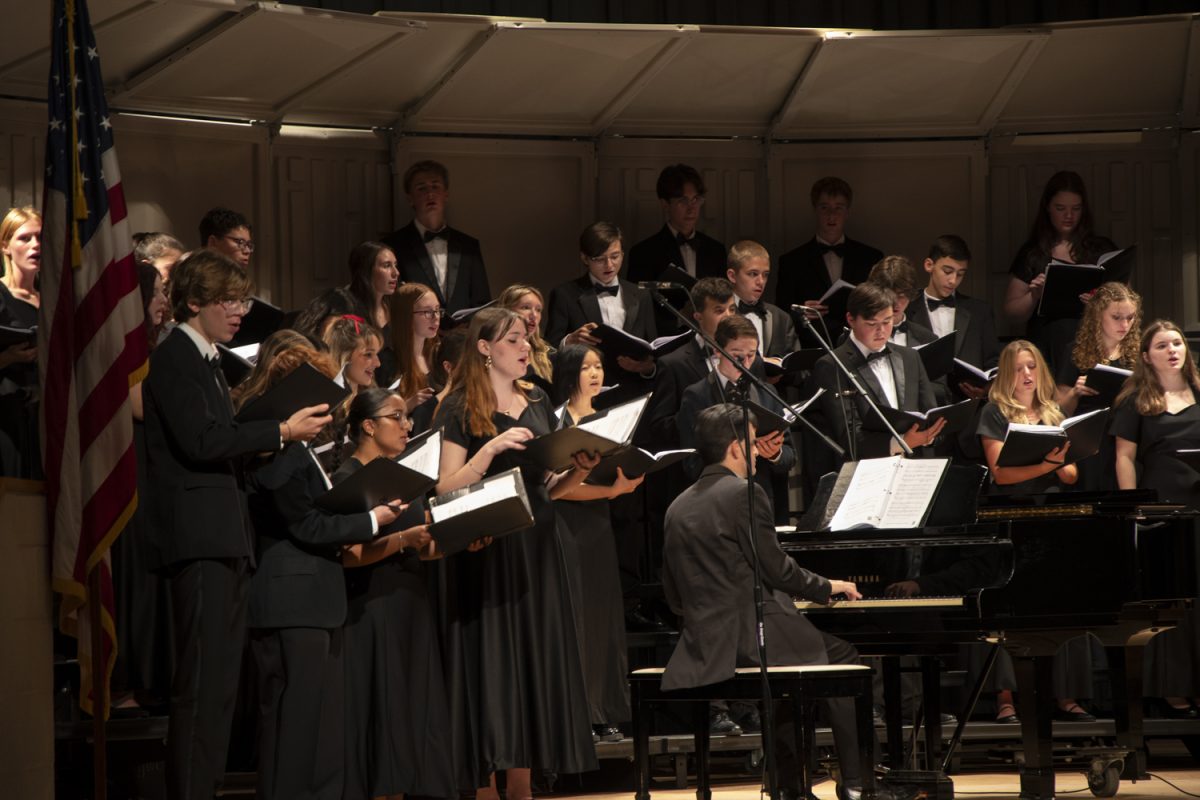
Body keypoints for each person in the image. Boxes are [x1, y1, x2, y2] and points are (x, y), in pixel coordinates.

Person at [142, 250, 331, 800]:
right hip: (198, 540)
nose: (240, 311)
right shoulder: (174, 353)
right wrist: (280, 433)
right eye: (228, 299)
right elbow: (200, 442)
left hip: (223, 537)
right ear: (194, 300)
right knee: (200, 686)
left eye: (242, 299)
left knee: (221, 687)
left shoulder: (207, 359)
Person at [662, 403, 875, 800]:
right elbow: (777, 569)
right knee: (844, 656)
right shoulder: (745, 493)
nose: (759, 451)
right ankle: (857, 784)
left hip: (702, 644)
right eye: (753, 443)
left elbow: (673, 594)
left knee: (789, 665)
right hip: (750, 637)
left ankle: (789, 786)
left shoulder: (677, 505)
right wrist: (827, 585)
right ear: (736, 447)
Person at [431, 307, 598, 797]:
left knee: (530, 662)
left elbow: (552, 484)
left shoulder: (538, 399)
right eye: (513, 340)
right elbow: (444, 487)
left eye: (527, 338)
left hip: (538, 546)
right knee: (493, 665)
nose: (526, 347)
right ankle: (484, 786)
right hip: (489, 548)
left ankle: (522, 786)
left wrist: (582, 468)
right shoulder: (459, 405)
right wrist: (491, 449)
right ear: (484, 347)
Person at [238, 344, 401, 800]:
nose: (330, 412)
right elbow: (305, 523)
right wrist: (372, 521)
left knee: (301, 725)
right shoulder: (282, 455)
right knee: (297, 726)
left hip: (301, 602)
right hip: (296, 603)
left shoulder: (290, 452)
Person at [334, 388, 460, 800]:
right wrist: (404, 539)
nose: (408, 426)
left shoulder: (406, 475)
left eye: (408, 417)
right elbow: (349, 556)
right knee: (382, 714)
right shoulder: (348, 477)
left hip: (412, 603)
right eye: (397, 417)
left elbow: (426, 545)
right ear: (368, 426)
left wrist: (464, 537)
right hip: (372, 606)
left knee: (413, 711)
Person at [975, 340, 1094, 723]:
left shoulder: (1053, 412)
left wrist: (1057, 458)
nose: (1026, 375)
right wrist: (1047, 464)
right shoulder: (995, 413)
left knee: (1060, 603)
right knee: (1010, 607)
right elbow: (1001, 472)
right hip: (1011, 518)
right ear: (1006, 375)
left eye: (1032, 368)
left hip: (1053, 515)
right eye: (1018, 369)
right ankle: (1007, 697)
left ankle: (1065, 696)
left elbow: (1072, 474)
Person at [551, 344, 642, 743]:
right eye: (586, 367)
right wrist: (611, 492)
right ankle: (578, 713)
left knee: (603, 615)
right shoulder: (556, 419)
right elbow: (560, 489)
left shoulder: (610, 419)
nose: (594, 373)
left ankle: (606, 710)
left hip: (602, 525)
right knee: (576, 615)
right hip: (568, 524)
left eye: (599, 366)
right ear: (570, 372)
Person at [1112, 320, 1200, 719]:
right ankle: (1172, 688)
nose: (1172, 350)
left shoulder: (1199, 392)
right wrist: (1135, 510)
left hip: (1199, 506)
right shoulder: (1137, 401)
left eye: (1177, 343)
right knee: (1172, 602)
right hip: (1163, 511)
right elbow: (1125, 458)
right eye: (1162, 345)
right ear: (1147, 356)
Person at [112, 262, 172, 712]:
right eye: (158, 291)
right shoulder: (122, 347)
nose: (164, 301)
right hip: (130, 479)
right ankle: (130, 687)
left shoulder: (155, 343)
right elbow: (140, 408)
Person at [677, 315, 795, 522]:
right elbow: (690, 464)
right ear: (716, 350)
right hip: (714, 506)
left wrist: (775, 453)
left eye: (751, 355)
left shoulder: (767, 392)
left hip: (761, 502)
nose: (746, 363)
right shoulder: (696, 395)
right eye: (737, 356)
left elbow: (789, 456)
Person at [809, 283, 944, 462]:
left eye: (887, 321)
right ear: (851, 320)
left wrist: (929, 435)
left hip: (913, 469)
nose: (881, 331)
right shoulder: (832, 365)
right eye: (872, 323)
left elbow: (930, 415)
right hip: (867, 472)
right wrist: (902, 442)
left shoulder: (910, 357)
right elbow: (847, 434)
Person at [1002, 171, 1118, 371]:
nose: (1069, 216)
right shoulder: (1034, 253)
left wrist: (1102, 304)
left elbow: (1127, 302)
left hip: (1094, 346)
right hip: (1047, 347)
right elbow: (1011, 312)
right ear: (1047, 207)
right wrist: (1034, 295)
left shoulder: (1101, 249)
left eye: (1076, 209)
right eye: (1060, 208)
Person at [545, 221, 658, 403]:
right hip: (585, 396)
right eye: (600, 259)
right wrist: (569, 341)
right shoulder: (565, 294)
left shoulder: (641, 295)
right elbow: (547, 349)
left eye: (615, 256)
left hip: (634, 394)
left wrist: (646, 368)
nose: (609, 265)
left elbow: (652, 348)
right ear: (584, 258)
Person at [1055, 282, 1141, 491]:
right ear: (1098, 315)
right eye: (1117, 317)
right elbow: (1058, 410)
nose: (1124, 324)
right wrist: (1076, 391)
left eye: (1130, 318)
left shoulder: (1138, 354)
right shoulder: (1075, 352)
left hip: (1126, 436)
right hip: (1089, 440)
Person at [775, 177, 883, 338]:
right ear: (815, 209)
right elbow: (781, 313)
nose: (831, 215)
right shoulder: (792, 261)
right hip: (811, 346)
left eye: (838, 208)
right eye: (824, 207)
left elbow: (881, 305)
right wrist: (801, 312)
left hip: (860, 343)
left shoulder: (870, 258)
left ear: (847, 211)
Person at [383, 160, 491, 318]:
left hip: (462, 339)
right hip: (415, 339)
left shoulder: (469, 246)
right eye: (422, 188)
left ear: (446, 194)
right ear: (410, 198)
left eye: (435, 186)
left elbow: (482, 302)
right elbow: (389, 302)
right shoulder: (393, 246)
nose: (430, 194)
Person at [627, 164, 727, 334]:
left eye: (696, 199)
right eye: (683, 201)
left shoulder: (716, 250)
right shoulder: (643, 253)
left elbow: (724, 300)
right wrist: (680, 317)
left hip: (711, 342)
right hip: (665, 342)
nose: (691, 207)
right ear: (665, 204)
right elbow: (639, 309)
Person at [906, 235, 999, 401]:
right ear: (929, 265)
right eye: (947, 271)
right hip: (922, 405)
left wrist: (986, 391)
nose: (953, 281)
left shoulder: (980, 312)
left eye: (960, 274)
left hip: (968, 406)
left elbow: (994, 364)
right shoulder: (907, 309)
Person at [0, 206, 42, 478]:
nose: (35, 245)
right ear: (5, 246)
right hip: (6, 415)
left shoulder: (50, 300)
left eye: (40, 238)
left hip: (42, 415)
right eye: (25, 238)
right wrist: (10, 357)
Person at [726, 240, 797, 360]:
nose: (761, 282)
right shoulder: (720, 314)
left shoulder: (781, 318)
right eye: (753, 274)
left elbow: (795, 366)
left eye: (765, 275)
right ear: (732, 276)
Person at [390, 282, 441, 420]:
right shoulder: (388, 361)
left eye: (437, 310)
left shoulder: (438, 353)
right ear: (406, 316)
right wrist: (407, 406)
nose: (435, 317)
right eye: (427, 312)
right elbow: (376, 419)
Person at [864, 256, 936, 350]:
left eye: (901, 296)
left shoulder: (928, 339)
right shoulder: (861, 330)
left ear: (910, 294)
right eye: (890, 295)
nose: (895, 303)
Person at [498, 283, 555, 387]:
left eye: (538, 310)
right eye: (526, 307)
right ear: (506, 311)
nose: (534, 315)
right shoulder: (492, 351)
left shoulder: (549, 355)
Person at [324, 315, 383, 398]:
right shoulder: (326, 402)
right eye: (368, 354)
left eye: (377, 354)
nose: (378, 364)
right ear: (345, 356)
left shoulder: (373, 399)